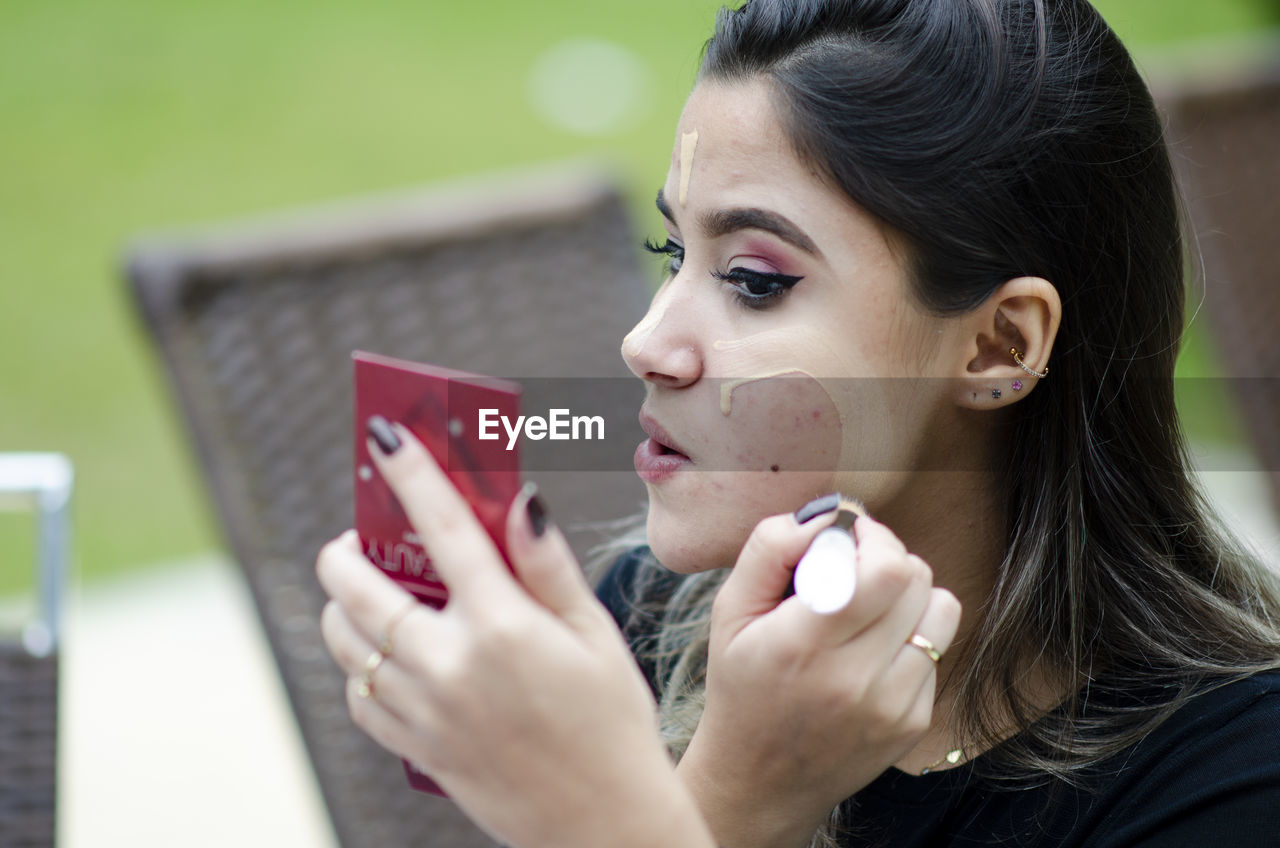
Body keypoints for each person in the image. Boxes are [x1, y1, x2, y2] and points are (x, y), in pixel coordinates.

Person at [315, 1, 1280, 846]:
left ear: (996, 346)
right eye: (671, 251)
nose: (646, 343)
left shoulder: (1236, 778)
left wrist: (717, 801)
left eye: (754, 281)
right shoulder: (645, 622)